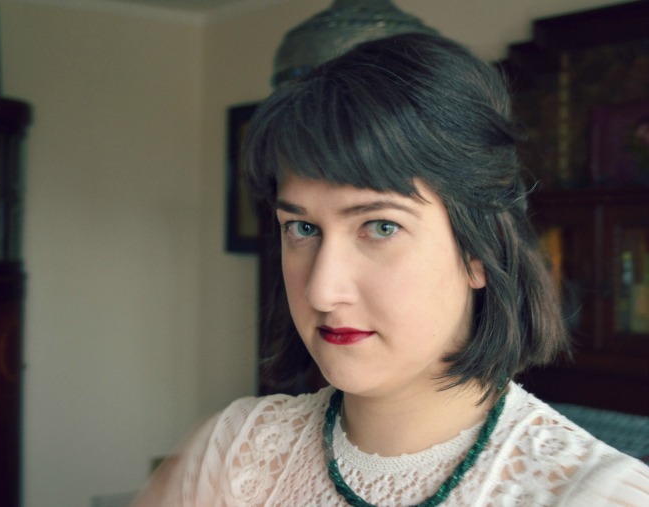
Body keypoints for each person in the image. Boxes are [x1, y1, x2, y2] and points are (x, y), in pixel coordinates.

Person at [132, 32, 649, 506]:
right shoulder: (230, 453)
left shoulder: (594, 495)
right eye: (303, 228)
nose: (322, 291)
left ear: (480, 251)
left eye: (380, 227)